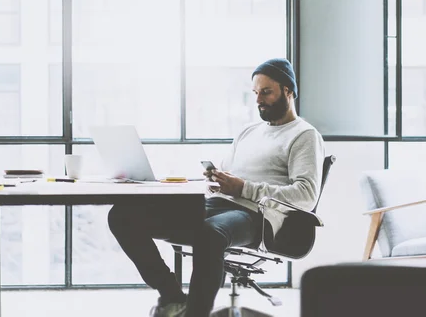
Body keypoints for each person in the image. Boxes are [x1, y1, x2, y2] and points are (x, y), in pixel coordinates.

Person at [107, 58, 325, 317]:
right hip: (219, 204)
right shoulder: (248, 132)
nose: (258, 100)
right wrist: (216, 180)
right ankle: (173, 296)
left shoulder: (304, 135)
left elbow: (306, 196)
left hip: (258, 216)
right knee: (122, 215)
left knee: (209, 233)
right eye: (256, 93)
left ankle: (196, 313)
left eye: (266, 92)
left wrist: (243, 187)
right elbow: (228, 180)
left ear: (288, 91)